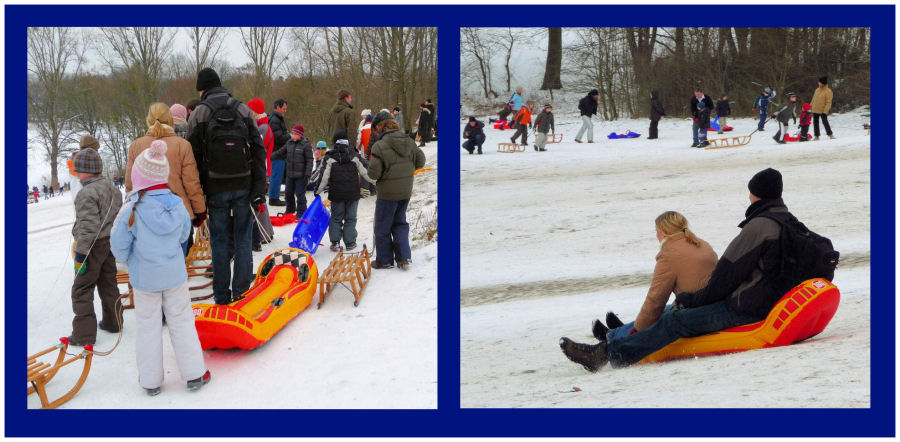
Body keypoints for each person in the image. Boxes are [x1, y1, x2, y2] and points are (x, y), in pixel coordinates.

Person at [560, 168, 803, 370]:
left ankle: (608, 353)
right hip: (753, 300)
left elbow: (725, 276)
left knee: (674, 318)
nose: (749, 196)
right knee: (673, 310)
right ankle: (614, 337)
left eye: (751, 192)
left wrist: (696, 301)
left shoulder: (759, 226)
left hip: (747, 306)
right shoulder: (785, 222)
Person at [110, 140, 210, 396]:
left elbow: (118, 245)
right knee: (182, 322)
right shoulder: (178, 205)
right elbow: (183, 237)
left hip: (145, 280)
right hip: (174, 276)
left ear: (138, 176)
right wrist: (171, 256)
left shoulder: (132, 208)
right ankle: (195, 372)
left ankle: (151, 381)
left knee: (148, 327)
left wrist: (133, 260)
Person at [186, 67, 266, 306]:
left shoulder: (199, 113)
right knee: (242, 238)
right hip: (244, 184)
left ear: (202, 89)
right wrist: (258, 189)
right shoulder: (243, 109)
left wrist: (199, 194)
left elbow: (191, 159)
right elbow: (258, 150)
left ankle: (221, 296)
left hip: (214, 188)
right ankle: (241, 293)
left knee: (219, 241)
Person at [580, 211, 718, 347]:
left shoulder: (669, 254)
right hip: (708, 304)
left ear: (663, 231)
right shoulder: (702, 244)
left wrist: (638, 331)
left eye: (656, 231)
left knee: (659, 313)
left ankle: (614, 338)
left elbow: (655, 299)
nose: (656, 236)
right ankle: (617, 331)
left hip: (694, 311)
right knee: (666, 309)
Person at [126, 102, 206, 256]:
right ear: (170, 120)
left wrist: (129, 211)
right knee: (176, 267)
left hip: (144, 214)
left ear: (149, 120)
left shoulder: (136, 146)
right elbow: (191, 183)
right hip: (178, 213)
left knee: (150, 265)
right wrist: (199, 210)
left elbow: (130, 185)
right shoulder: (182, 145)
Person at [68, 147, 123, 346]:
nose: (77, 174)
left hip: (92, 246)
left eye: (78, 170)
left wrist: (80, 256)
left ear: (85, 171)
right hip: (109, 243)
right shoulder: (112, 187)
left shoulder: (86, 193)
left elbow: (88, 228)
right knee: (108, 283)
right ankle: (114, 321)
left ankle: (83, 334)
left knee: (81, 288)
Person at [368, 114, 426, 270]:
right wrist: (406, 171)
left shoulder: (379, 146)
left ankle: (385, 260)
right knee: (400, 223)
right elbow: (421, 161)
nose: (375, 132)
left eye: (375, 129)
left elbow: (373, 173)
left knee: (382, 226)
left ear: (380, 127)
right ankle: (403, 257)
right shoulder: (409, 141)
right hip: (405, 191)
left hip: (387, 193)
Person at [316, 130, 377, 252]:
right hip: (352, 194)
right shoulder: (354, 155)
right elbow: (366, 172)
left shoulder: (329, 157)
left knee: (336, 218)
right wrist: (377, 182)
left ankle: (335, 242)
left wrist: (317, 190)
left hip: (336, 194)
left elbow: (323, 177)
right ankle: (350, 242)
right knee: (351, 218)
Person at [246, 97, 275, 250]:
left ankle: (263, 234)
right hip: (262, 167)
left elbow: (258, 149)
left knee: (259, 203)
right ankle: (268, 232)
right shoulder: (262, 126)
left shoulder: (263, 128)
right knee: (261, 202)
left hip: (262, 168)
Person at [279, 124, 313, 217]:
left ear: (300, 135)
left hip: (301, 175)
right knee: (288, 193)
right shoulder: (289, 143)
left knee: (300, 194)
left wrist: (307, 173)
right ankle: (290, 209)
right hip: (290, 174)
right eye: (292, 133)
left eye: (295, 133)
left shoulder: (305, 145)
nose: (292, 135)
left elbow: (310, 160)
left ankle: (301, 211)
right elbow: (281, 151)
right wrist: (272, 156)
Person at [267, 98, 290, 206]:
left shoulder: (277, 118)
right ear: (277, 107)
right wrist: (289, 136)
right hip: (277, 152)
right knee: (276, 176)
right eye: (284, 109)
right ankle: (273, 198)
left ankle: (274, 196)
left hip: (278, 152)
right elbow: (278, 137)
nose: (285, 111)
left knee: (278, 175)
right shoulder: (275, 120)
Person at [811, 76, 835, 140]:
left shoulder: (828, 91)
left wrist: (825, 111)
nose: (818, 83)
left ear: (823, 83)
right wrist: (810, 106)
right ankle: (816, 136)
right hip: (815, 109)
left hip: (822, 110)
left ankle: (830, 134)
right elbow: (813, 99)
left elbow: (828, 102)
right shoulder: (817, 90)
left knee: (825, 122)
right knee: (815, 123)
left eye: (819, 82)